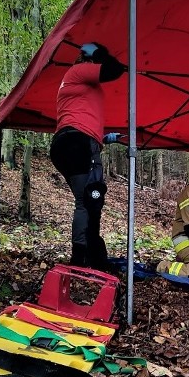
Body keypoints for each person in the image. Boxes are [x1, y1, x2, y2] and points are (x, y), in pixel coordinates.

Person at [49, 42, 125, 270]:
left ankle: (88, 254)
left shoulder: (74, 83)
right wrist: (99, 52)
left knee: (89, 200)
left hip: (70, 142)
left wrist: (104, 138)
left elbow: (79, 116)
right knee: (88, 200)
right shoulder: (79, 71)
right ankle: (82, 258)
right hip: (78, 143)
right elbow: (115, 70)